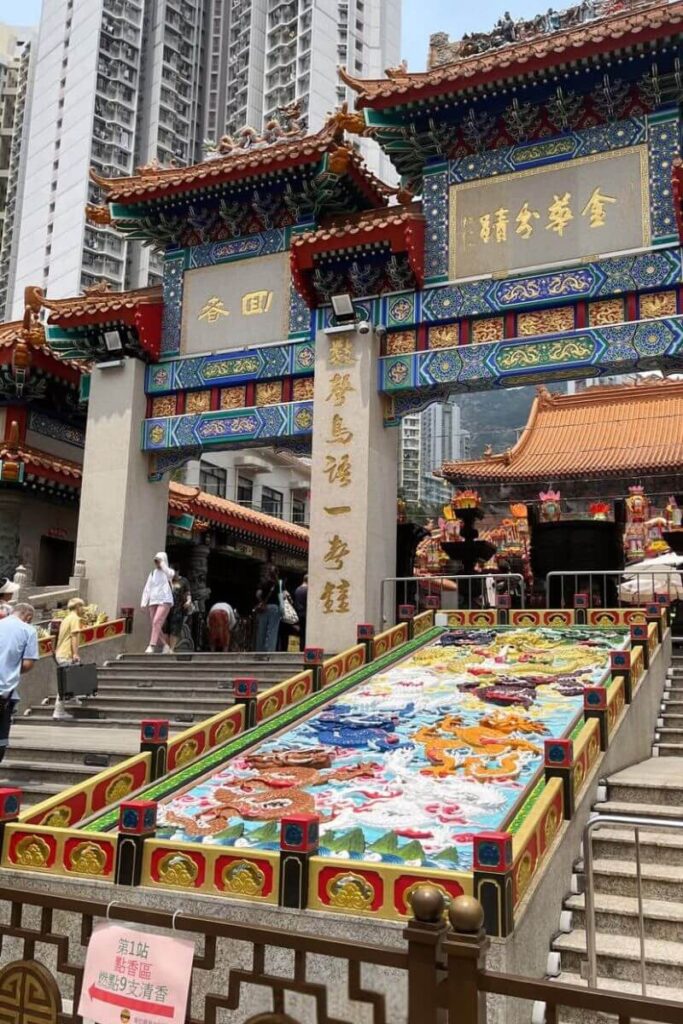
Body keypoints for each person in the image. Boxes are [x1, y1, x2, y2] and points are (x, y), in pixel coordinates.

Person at [0, 603, 37, 763]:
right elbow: (28, 664)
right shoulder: (28, 630)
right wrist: (13, 667)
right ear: (28, 617)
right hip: (4, 691)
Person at [53, 597, 85, 721]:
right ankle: (59, 710)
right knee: (65, 683)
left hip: (60, 653)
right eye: (82, 606)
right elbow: (74, 637)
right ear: (77, 607)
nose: (83, 609)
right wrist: (75, 653)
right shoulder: (75, 619)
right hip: (66, 654)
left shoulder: (66, 618)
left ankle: (73, 697)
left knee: (70, 679)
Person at [140, 552, 174, 654]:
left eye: (158, 561)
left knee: (156, 622)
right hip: (153, 601)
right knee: (155, 624)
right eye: (156, 561)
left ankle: (152, 645)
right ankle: (165, 645)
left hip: (165, 600)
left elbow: (171, 574)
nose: (157, 563)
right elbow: (147, 588)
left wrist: (163, 564)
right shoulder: (152, 573)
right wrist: (144, 602)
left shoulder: (167, 572)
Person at [254, 564, 282, 652]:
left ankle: (259, 651)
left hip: (264, 608)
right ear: (277, 573)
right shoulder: (278, 583)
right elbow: (281, 597)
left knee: (261, 630)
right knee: (272, 631)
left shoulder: (263, 582)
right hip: (274, 608)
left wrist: (262, 601)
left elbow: (258, 594)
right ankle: (269, 652)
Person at [166, 568, 193, 651]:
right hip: (167, 608)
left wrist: (188, 601)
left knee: (175, 628)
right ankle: (167, 647)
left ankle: (171, 648)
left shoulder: (184, 581)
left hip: (178, 608)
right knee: (167, 628)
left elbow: (188, 593)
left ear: (177, 572)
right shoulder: (167, 580)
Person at [294, 575, 308, 651]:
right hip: (306, 614)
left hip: (298, 613)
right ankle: (305, 649)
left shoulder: (297, 589)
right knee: (306, 633)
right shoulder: (307, 590)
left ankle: (301, 649)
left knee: (301, 633)